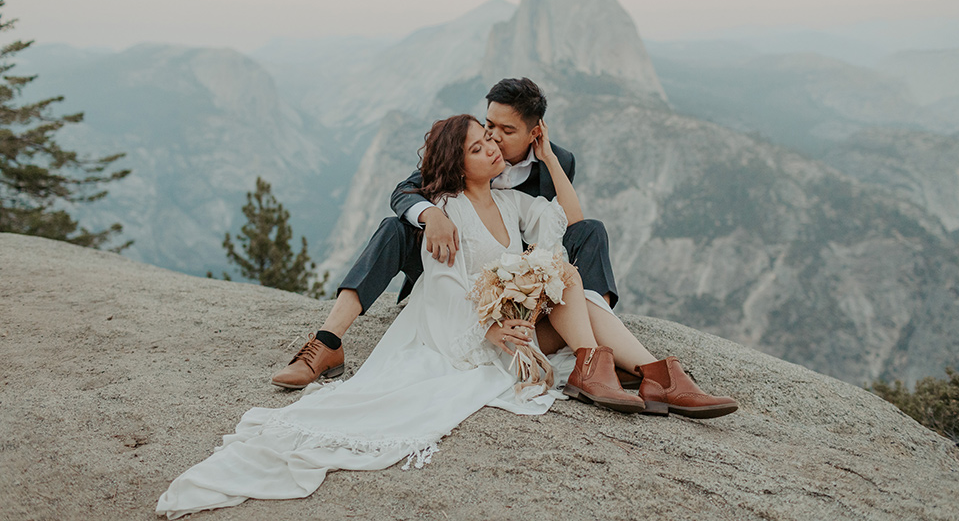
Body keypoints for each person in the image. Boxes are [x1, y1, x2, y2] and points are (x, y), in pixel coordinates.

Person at [156, 114, 737, 519]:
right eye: (482, 143)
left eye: (496, 138)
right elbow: (444, 294)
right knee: (568, 285)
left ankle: (646, 373)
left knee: (563, 272)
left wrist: (545, 157)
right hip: (474, 334)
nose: (494, 148)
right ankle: (645, 374)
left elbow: (571, 222)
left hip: (522, 319)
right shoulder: (448, 211)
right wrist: (487, 324)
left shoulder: (515, 200)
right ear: (456, 163)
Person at [271, 78, 620, 390]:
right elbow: (404, 191)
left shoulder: (557, 161)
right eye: (489, 125)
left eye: (506, 131)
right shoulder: (465, 146)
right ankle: (327, 343)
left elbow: (568, 222)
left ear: (534, 133)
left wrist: (550, 160)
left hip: (512, 277)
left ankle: (602, 352)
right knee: (394, 228)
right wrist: (431, 213)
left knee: (591, 232)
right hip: (446, 254)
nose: (494, 138)